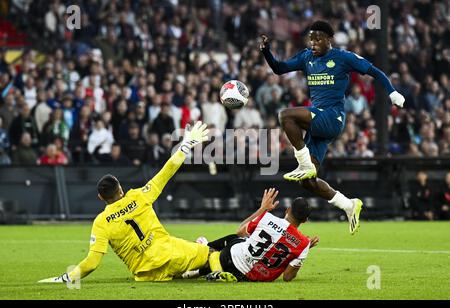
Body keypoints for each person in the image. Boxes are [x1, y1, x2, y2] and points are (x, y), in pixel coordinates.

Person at [260, 21, 406, 234]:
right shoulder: (306, 57)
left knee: (285, 116)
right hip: (317, 123)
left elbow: (375, 71)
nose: (313, 43)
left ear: (329, 39)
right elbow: (279, 69)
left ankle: (303, 163)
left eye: (318, 38)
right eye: (311, 39)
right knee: (307, 183)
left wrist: (392, 92)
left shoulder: (343, 57)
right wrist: (266, 51)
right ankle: (349, 205)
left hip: (332, 117)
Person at [38, 122, 211, 283]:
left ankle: (191, 269)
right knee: (213, 254)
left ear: (101, 198)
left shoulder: (101, 222)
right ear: (121, 189)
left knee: (190, 257)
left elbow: (91, 263)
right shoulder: (138, 196)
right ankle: (201, 260)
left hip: (147, 274)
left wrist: (66, 278)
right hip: (170, 254)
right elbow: (169, 168)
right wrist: (186, 143)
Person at [185, 188, 319, 282]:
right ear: (305, 220)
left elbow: (240, 230)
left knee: (235, 238)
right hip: (257, 278)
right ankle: (198, 269)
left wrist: (262, 209)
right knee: (240, 241)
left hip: (231, 260)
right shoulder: (303, 244)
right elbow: (287, 277)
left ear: (288, 210)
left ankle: (204, 248)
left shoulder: (267, 218)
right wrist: (301, 251)